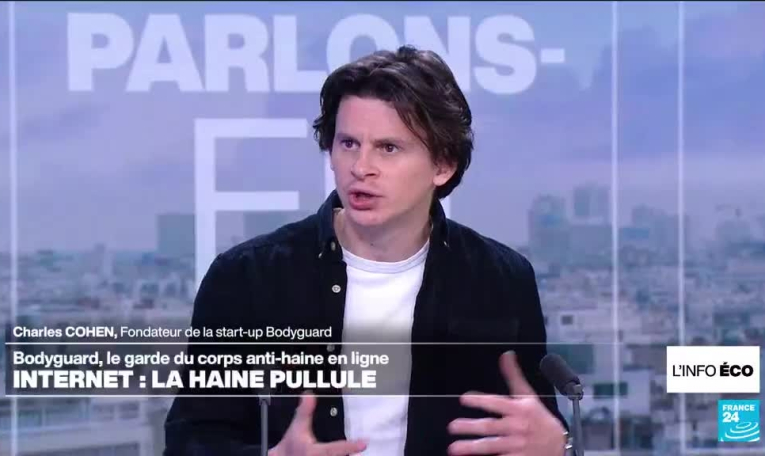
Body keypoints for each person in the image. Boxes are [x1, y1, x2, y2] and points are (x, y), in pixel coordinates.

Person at [164, 45, 569, 456]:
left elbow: (535, 432)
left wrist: (558, 447)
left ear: (442, 165)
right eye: (348, 144)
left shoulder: (501, 280)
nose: (361, 167)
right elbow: (190, 440)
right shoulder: (246, 277)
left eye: (388, 148)